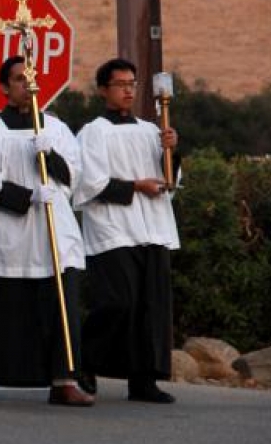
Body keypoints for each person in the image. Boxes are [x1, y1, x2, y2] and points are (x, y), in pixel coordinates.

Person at [0, 56, 93, 406]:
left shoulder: (56, 128)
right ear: (5, 87)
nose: (28, 85)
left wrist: (50, 158)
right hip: (13, 231)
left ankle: (64, 379)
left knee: (61, 303)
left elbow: (76, 176)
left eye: (32, 79)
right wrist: (29, 196)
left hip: (54, 230)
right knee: (6, 306)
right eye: (20, 79)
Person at [74, 58, 180, 404]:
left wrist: (171, 152)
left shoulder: (151, 130)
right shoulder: (93, 132)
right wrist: (136, 186)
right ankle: (84, 359)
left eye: (132, 84)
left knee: (151, 307)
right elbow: (90, 183)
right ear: (104, 90)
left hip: (152, 227)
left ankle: (143, 380)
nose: (128, 90)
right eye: (120, 84)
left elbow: (170, 180)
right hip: (114, 229)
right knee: (118, 302)